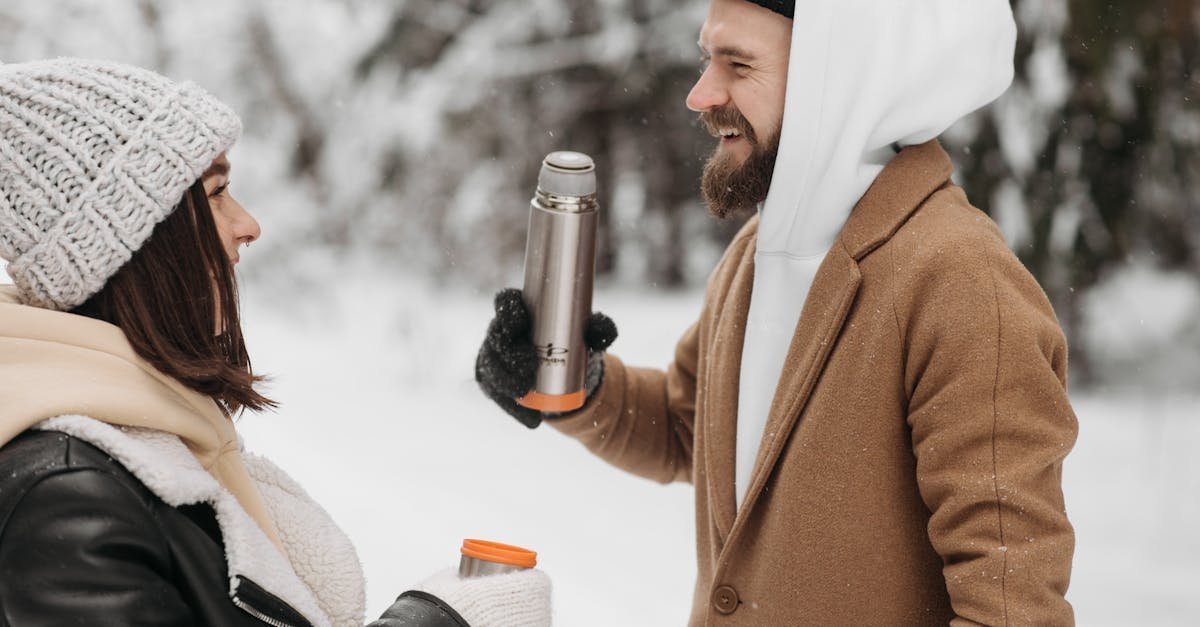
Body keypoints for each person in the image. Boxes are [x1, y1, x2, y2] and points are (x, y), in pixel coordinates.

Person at [476, 0, 1078, 624]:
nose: (701, 94)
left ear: (842, 78)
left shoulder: (960, 282)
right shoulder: (755, 255)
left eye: (739, 64)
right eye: (708, 59)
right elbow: (690, 432)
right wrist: (576, 383)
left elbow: (1010, 609)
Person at [0, 58, 551, 627]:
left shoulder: (134, 448)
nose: (249, 224)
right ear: (133, 244)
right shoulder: (66, 501)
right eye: (216, 194)